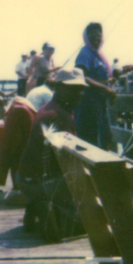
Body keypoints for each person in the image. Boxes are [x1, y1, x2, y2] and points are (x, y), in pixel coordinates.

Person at [17, 68, 87, 240]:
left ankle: (37, 207)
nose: (80, 94)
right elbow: (69, 161)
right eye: (74, 89)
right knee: (87, 214)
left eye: (81, 89)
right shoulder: (59, 117)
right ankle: (52, 219)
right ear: (59, 87)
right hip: (38, 183)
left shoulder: (48, 107)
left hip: (25, 177)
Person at [74, 22, 116, 150]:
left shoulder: (98, 55)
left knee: (105, 137)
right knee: (90, 139)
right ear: (87, 37)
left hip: (101, 102)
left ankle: (103, 167)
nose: (97, 39)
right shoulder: (85, 53)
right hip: (89, 102)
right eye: (93, 35)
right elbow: (82, 77)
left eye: (99, 36)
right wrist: (105, 88)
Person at [0, 96, 36, 189]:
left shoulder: (16, 111)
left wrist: (1, 178)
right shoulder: (28, 108)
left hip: (21, 160)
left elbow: (8, 144)